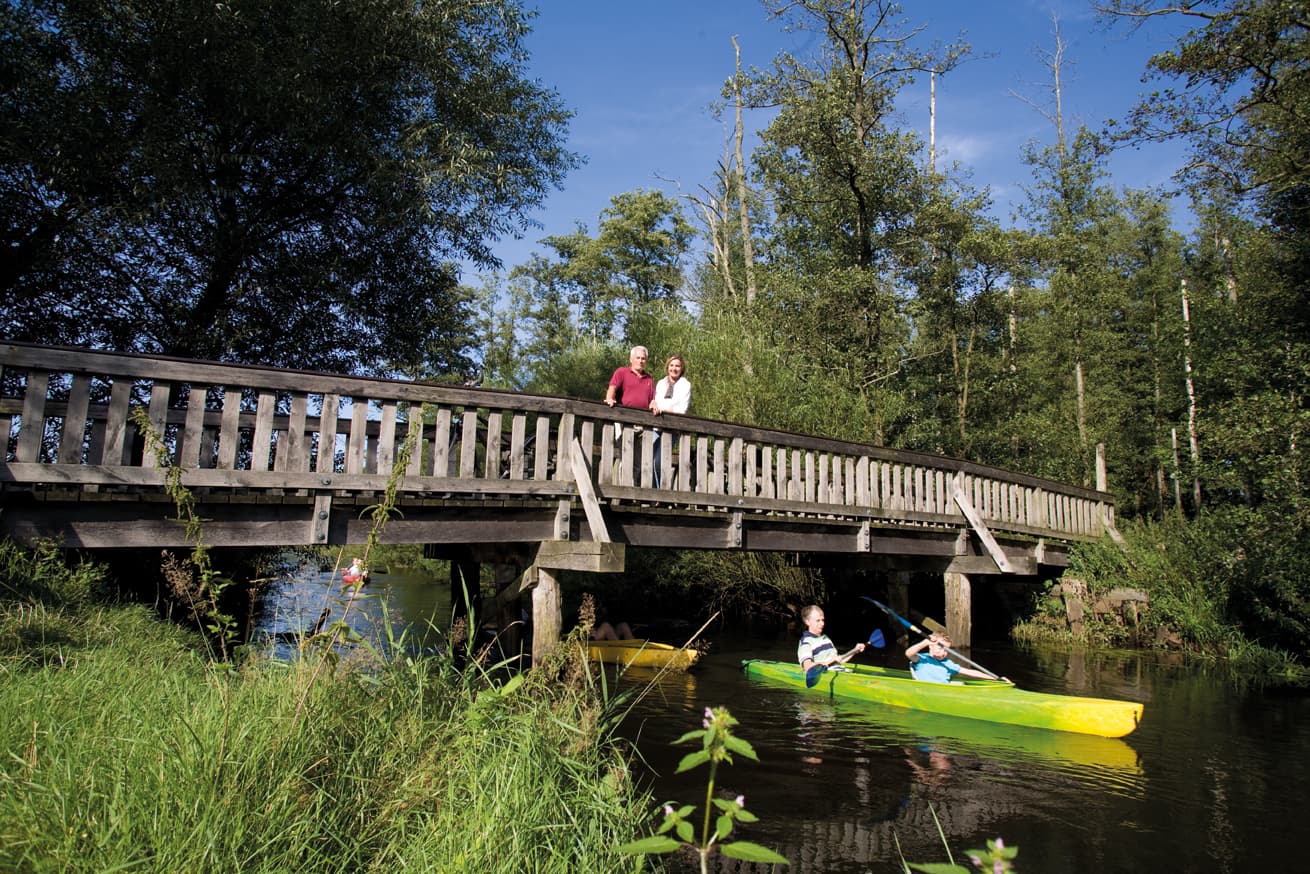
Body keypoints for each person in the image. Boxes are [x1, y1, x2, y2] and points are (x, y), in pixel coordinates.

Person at [650, 354, 690, 487]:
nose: (674, 368)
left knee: (659, 461)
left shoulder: (685, 385)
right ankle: (652, 491)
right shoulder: (661, 383)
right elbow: (656, 401)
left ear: (681, 368)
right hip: (656, 426)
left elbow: (681, 410)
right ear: (667, 367)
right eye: (672, 365)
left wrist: (664, 410)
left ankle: (659, 493)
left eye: (677, 366)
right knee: (647, 458)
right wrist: (655, 405)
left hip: (671, 428)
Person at [905, 633, 999, 683]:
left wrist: (995, 679)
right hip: (927, 691)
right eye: (941, 648)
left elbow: (969, 672)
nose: (944, 653)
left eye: (947, 650)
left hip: (944, 693)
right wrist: (925, 642)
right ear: (931, 646)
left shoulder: (948, 663)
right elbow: (909, 653)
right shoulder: (921, 660)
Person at [797, 604, 865, 672]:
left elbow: (839, 660)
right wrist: (830, 661)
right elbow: (807, 667)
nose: (822, 623)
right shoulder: (806, 642)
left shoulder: (825, 638)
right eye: (818, 620)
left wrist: (855, 650)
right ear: (807, 622)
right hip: (825, 674)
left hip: (840, 671)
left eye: (822, 620)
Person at [605, 345, 655, 410]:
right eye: (638, 358)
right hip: (623, 414)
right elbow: (612, 388)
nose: (640, 361)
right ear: (631, 359)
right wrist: (609, 399)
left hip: (643, 417)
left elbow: (652, 399)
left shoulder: (649, 379)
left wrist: (654, 405)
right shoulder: (622, 372)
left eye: (643, 358)